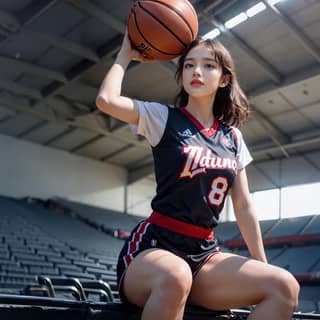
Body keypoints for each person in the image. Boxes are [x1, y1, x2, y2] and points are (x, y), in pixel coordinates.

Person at [96, 30, 300, 320]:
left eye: (208, 65)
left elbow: (242, 206)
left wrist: (262, 264)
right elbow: (106, 100)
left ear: (224, 78)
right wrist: (125, 55)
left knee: (283, 286)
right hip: (155, 247)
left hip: (204, 253)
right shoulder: (163, 117)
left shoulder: (233, 138)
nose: (196, 71)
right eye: (189, 65)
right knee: (175, 276)